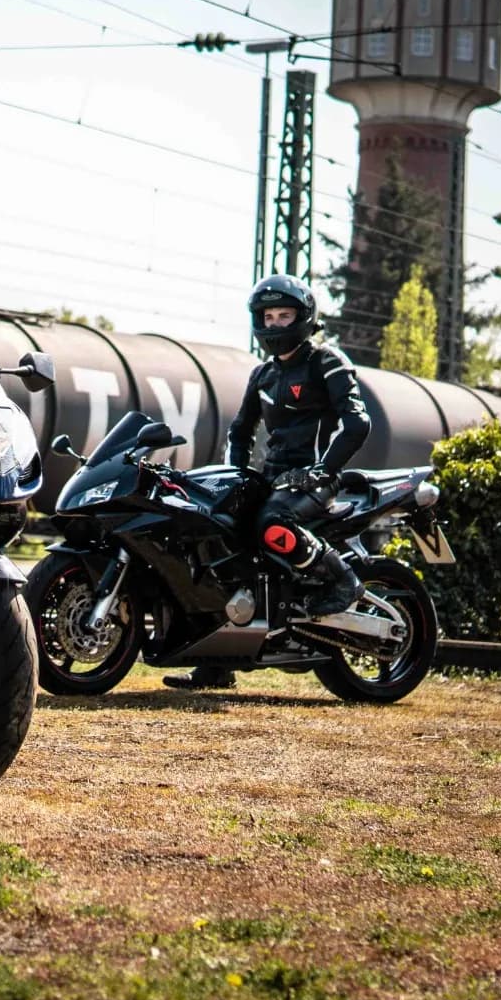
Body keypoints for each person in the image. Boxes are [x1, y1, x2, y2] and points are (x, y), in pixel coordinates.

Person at [164, 274, 371, 690]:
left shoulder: (326, 362)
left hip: (315, 479)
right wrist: (234, 476)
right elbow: (239, 433)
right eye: (269, 316)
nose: (276, 324)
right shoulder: (262, 375)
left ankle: (343, 581)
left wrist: (325, 469)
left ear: (304, 317)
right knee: (214, 537)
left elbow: (356, 423)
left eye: (285, 315)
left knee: (272, 525)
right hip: (273, 479)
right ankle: (216, 663)